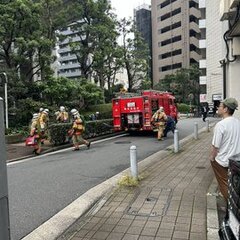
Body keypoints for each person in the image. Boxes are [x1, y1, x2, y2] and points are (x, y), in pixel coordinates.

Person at [210, 97, 240, 202]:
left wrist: (212, 158)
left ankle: (232, 206)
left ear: (226, 109)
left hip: (223, 161)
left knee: (224, 184)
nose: (218, 107)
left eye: (220, 106)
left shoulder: (221, 125)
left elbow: (215, 146)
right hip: (236, 160)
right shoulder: (238, 122)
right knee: (234, 184)